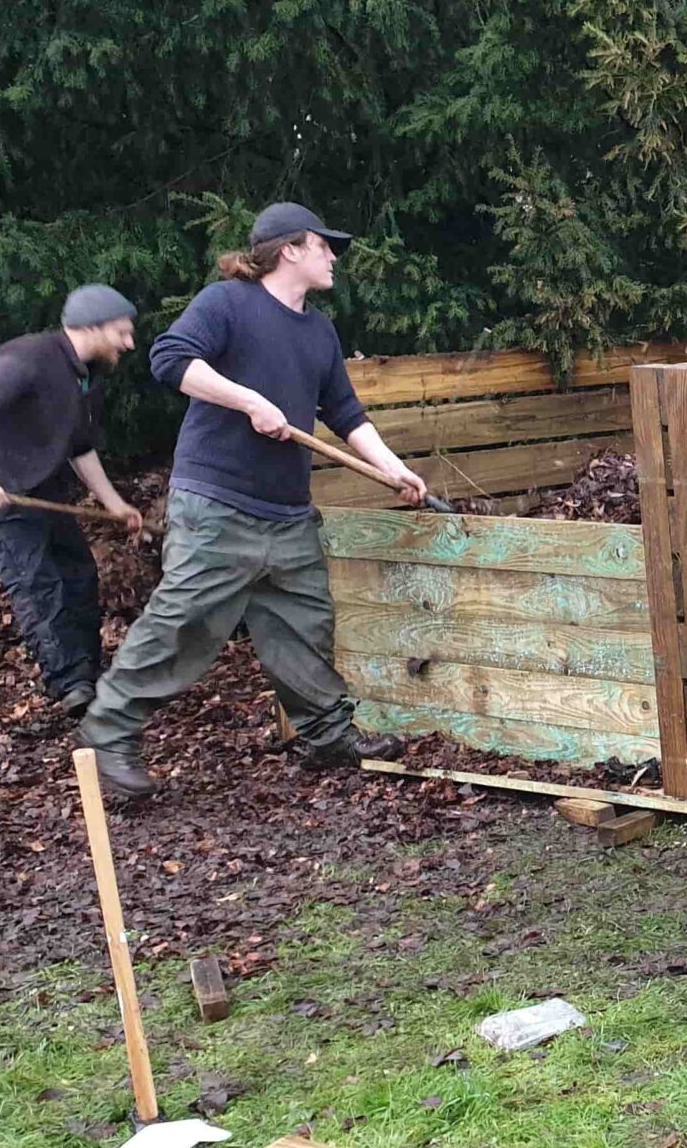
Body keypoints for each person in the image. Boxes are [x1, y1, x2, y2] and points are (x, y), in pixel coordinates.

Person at [76, 202, 428, 800]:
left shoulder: (318, 330)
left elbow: (343, 412)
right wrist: (247, 401)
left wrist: (394, 469)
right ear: (290, 248)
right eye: (324, 245)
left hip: (286, 512)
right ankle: (107, 735)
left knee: (303, 625)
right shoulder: (227, 304)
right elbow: (170, 360)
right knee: (183, 625)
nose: (333, 256)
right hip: (217, 504)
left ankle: (326, 735)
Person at [0, 285, 145, 716]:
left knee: (78, 569)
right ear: (94, 327)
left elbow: (80, 448)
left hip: (34, 479)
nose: (130, 343)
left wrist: (113, 504)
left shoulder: (85, 375)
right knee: (35, 577)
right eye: (122, 333)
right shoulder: (28, 358)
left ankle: (89, 673)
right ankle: (70, 688)